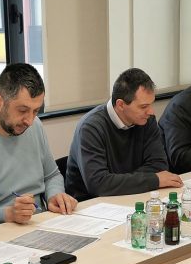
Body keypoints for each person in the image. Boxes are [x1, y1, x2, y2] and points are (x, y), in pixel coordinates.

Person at [0, 63, 78, 224]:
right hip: (0, 231)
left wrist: (54, 195)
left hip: (41, 222)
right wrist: (8, 214)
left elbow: (51, 175)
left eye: (36, 111)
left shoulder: (35, 126)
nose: (29, 120)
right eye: (22, 110)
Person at [66, 67, 182, 200]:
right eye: (143, 106)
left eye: (151, 104)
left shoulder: (146, 120)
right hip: (90, 204)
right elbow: (99, 184)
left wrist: (118, 181)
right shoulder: (91, 127)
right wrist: (153, 180)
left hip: (132, 196)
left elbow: (159, 165)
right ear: (121, 105)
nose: (151, 112)